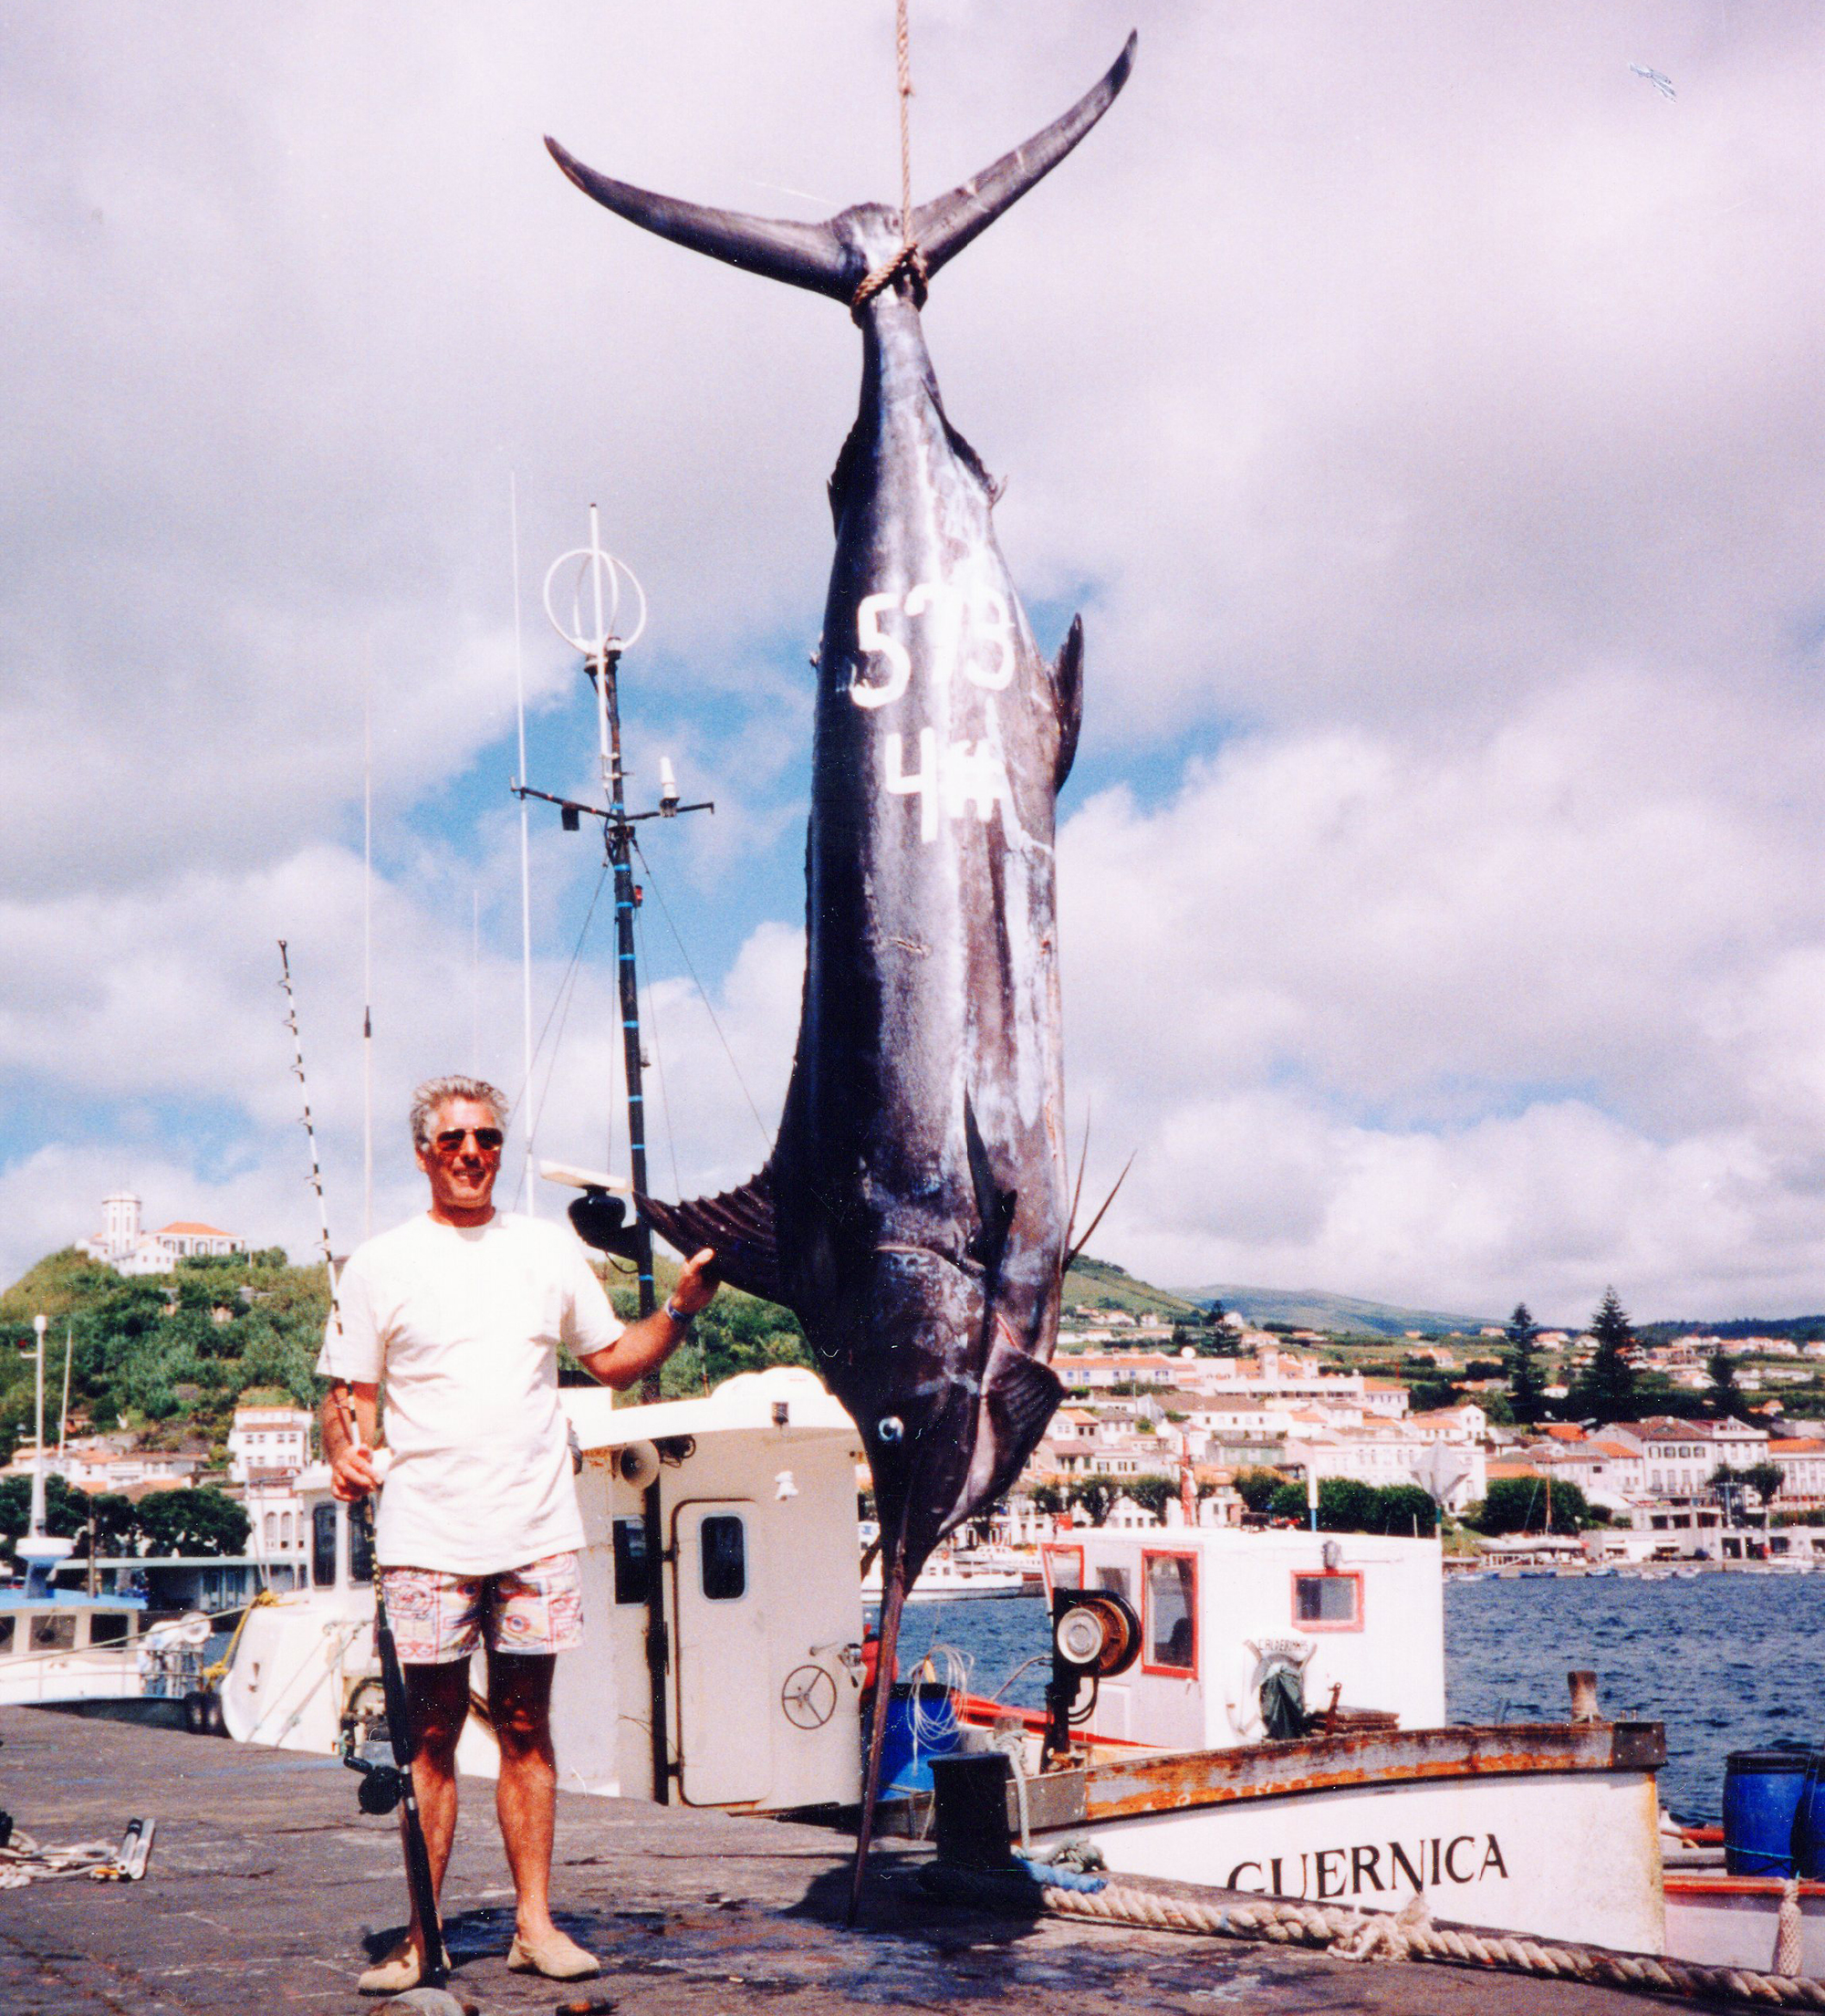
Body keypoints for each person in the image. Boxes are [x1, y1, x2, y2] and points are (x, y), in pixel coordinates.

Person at [318, 1074, 718, 1994]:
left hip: (534, 1529)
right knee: (429, 1738)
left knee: (528, 1728)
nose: (471, 1153)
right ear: (425, 1151)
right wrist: (345, 1452)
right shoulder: (379, 1264)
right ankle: (423, 1935)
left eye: (488, 1139)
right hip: (424, 1534)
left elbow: (611, 1357)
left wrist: (684, 1307)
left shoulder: (544, 1251)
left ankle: (535, 1924)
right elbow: (349, 1405)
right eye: (454, 1138)